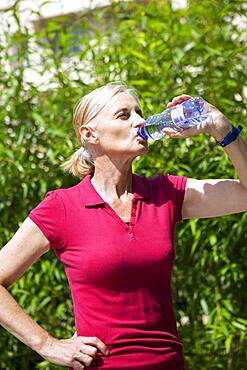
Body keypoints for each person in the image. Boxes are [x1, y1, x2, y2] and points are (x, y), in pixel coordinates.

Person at [0, 82, 246, 370]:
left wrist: (221, 128)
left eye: (139, 113)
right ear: (89, 134)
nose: (140, 121)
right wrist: (47, 345)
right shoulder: (62, 207)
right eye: (123, 115)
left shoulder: (165, 193)